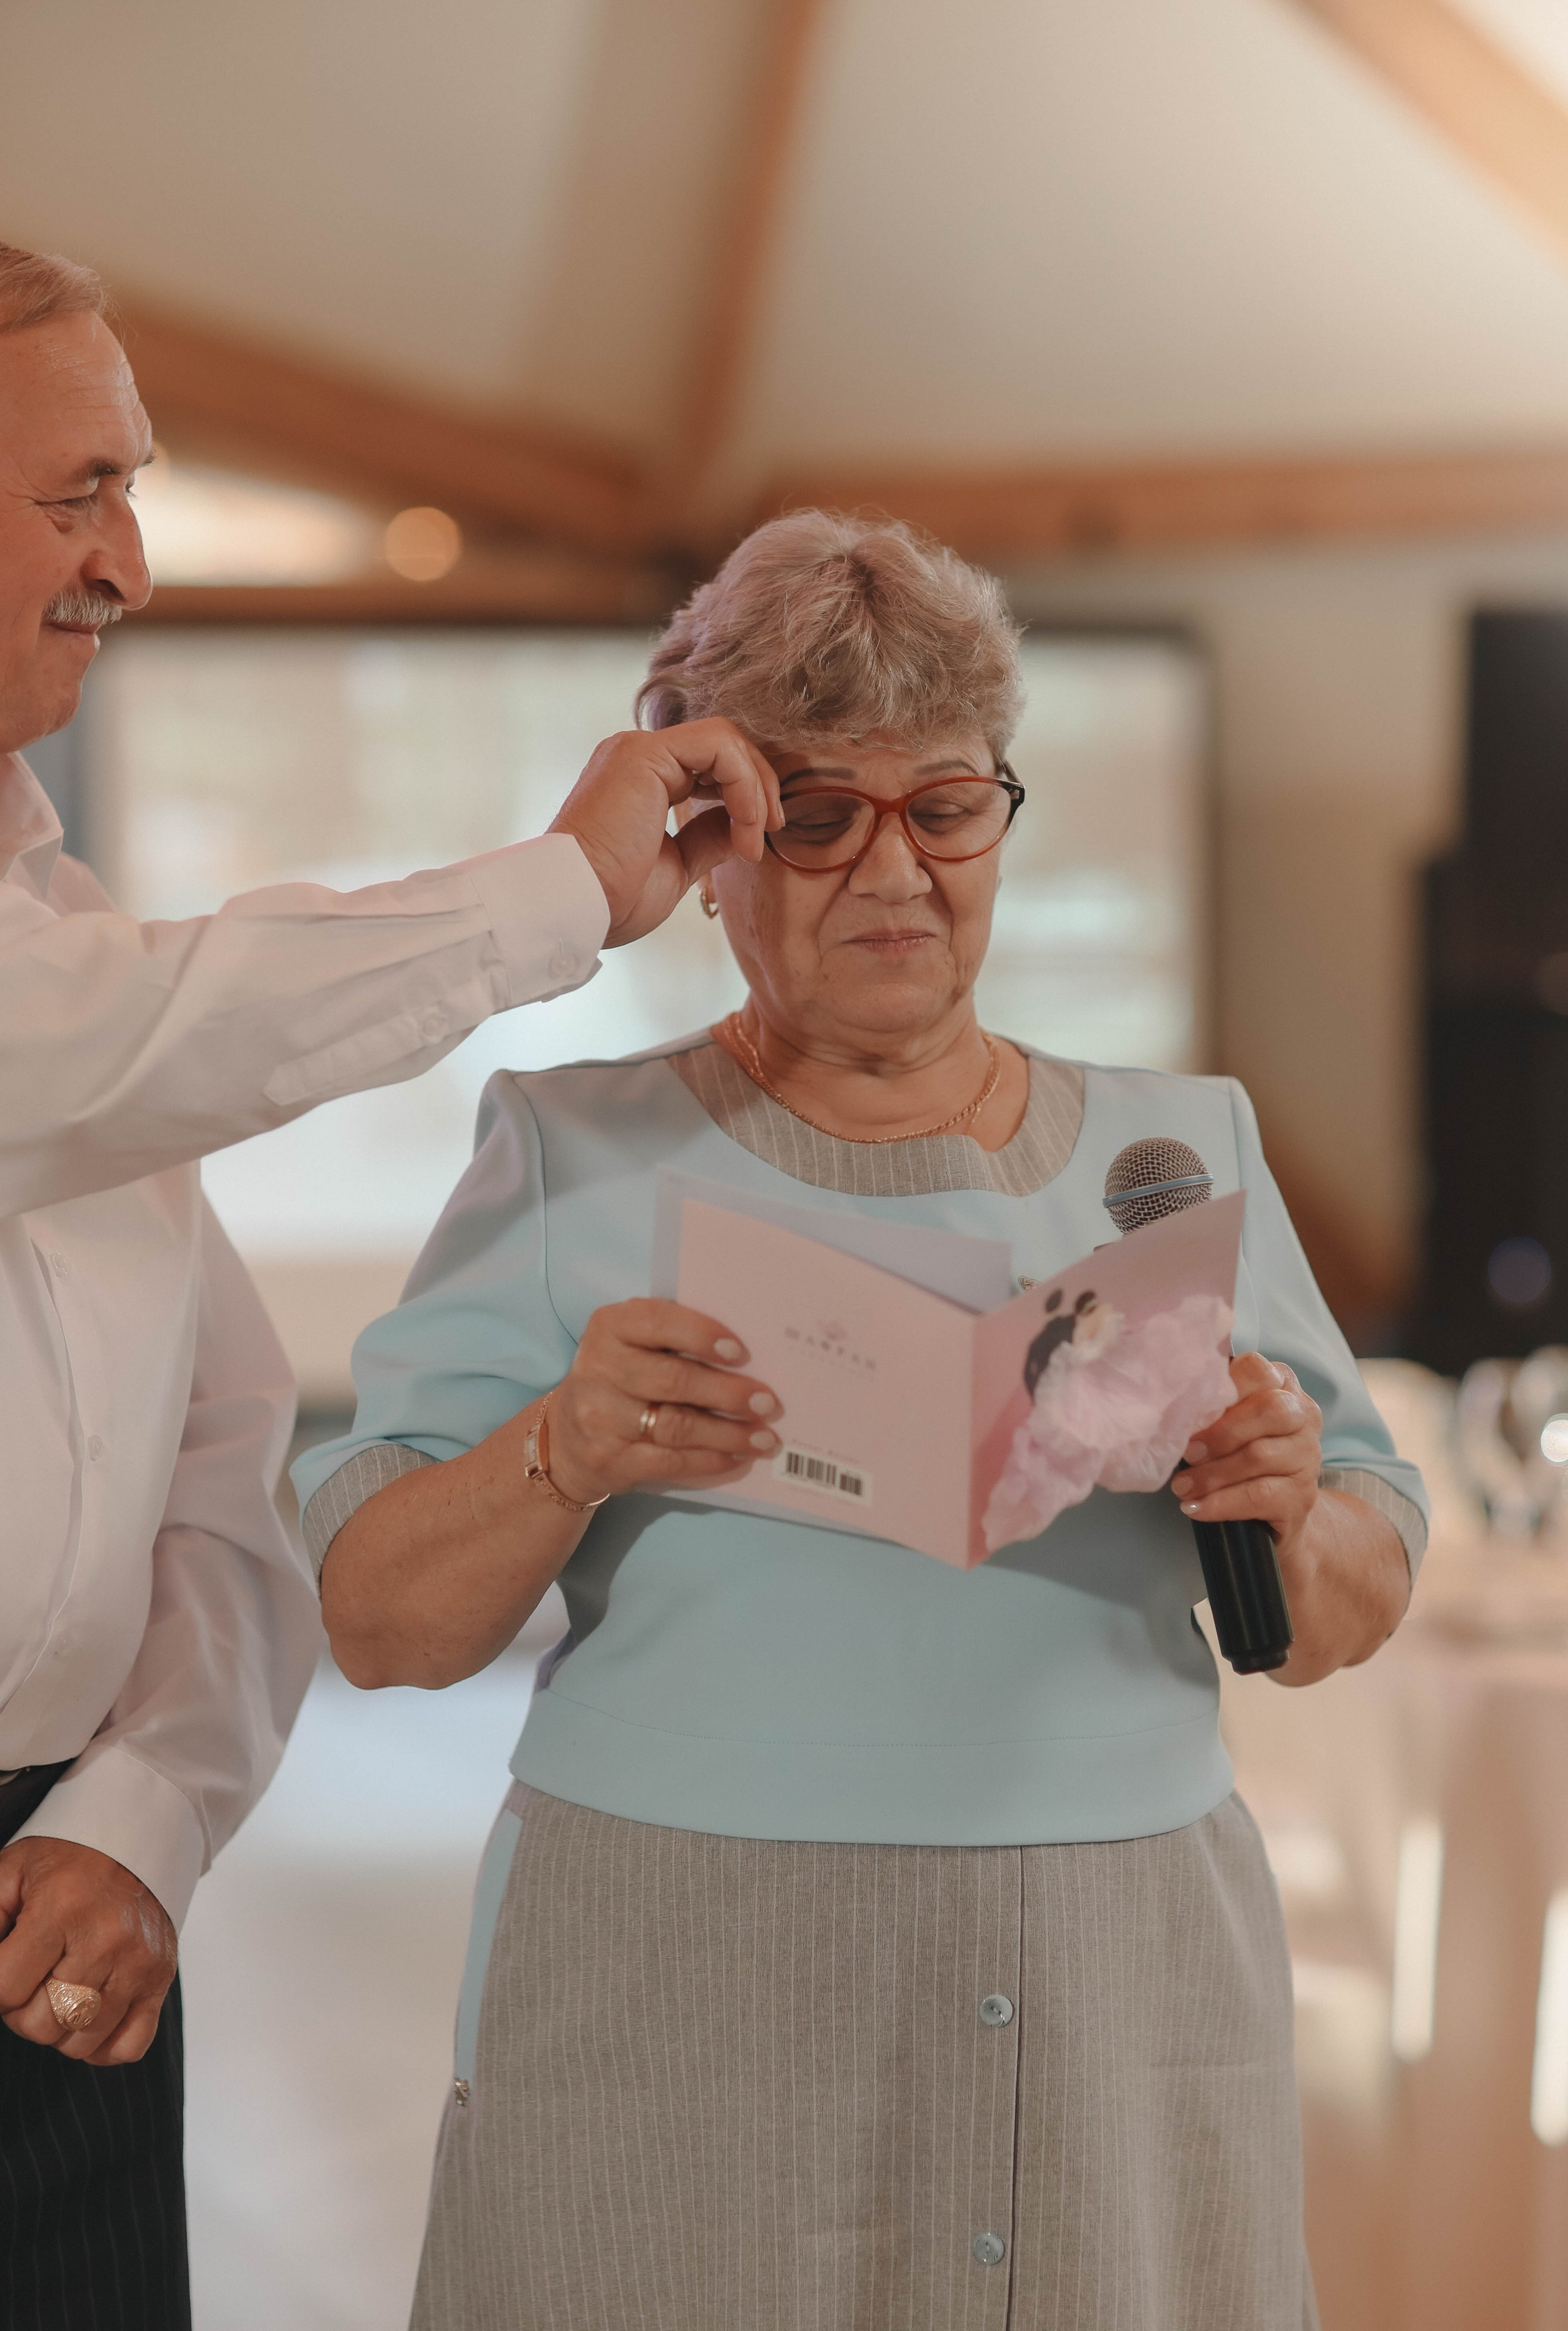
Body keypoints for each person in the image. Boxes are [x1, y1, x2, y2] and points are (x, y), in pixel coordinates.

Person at [298, 510, 1427, 2331]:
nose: (894, 869)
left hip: (1116, 1995)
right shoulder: (572, 1149)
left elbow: (1355, 1600)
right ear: (711, 851)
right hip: (679, 1989)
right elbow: (377, 1622)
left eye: (946, 806)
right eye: (817, 815)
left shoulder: (1182, 1151)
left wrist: (1295, 1504)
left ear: (1001, 820)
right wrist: (566, 1447)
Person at [0, 238, 780, 2331]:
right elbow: (101, 1045)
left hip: (62, 1937)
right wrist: (565, 890)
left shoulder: (59, 920)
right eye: (78, 493)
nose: (130, 563)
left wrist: (143, 1816)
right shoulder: (83, 1009)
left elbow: (223, 1461)